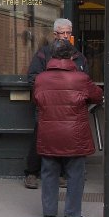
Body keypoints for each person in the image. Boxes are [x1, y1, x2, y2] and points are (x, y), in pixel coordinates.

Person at [33, 39, 103, 217]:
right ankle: (72, 214)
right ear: (72, 55)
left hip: (49, 133)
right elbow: (97, 96)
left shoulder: (41, 79)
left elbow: (37, 99)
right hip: (75, 134)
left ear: (52, 56)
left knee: (49, 174)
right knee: (75, 175)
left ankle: (49, 213)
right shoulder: (81, 78)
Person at [23, 18, 88, 189]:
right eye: (62, 33)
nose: (66, 36)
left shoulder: (78, 56)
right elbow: (33, 78)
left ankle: (61, 174)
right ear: (55, 34)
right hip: (48, 106)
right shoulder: (44, 53)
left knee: (66, 139)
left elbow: (85, 81)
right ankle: (32, 172)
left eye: (68, 33)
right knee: (41, 136)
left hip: (70, 107)